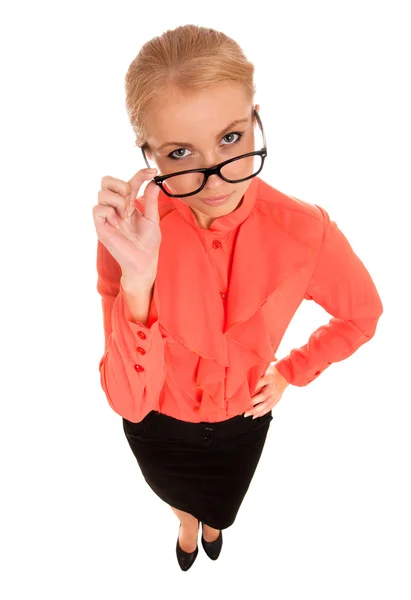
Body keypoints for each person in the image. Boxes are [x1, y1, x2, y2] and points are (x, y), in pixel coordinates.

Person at [92, 25, 384, 571]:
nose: (216, 179)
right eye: (180, 152)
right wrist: (137, 281)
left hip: (242, 421)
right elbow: (127, 401)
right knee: (176, 497)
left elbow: (361, 316)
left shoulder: (306, 231)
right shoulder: (129, 234)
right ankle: (185, 523)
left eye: (230, 138)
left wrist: (291, 372)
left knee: (224, 509)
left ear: (255, 119)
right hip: (156, 422)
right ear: (147, 153)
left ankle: (211, 523)